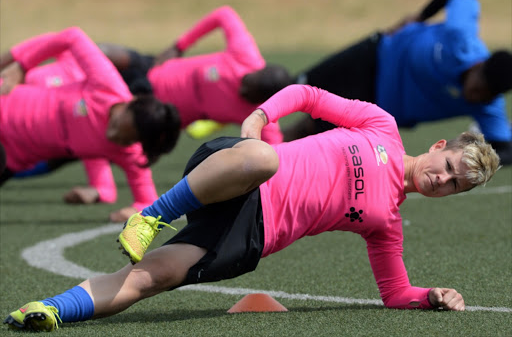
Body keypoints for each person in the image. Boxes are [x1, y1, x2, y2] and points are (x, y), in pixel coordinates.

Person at [4, 84, 501, 332]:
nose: (442, 180)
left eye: (454, 186)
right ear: (439, 146)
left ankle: (48, 310)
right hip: (236, 169)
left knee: (147, 279)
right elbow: (306, 95)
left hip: (250, 235)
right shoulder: (381, 128)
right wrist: (260, 117)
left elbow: (395, 292)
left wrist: (431, 294)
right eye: (449, 166)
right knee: (262, 157)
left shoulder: (386, 223)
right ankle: (151, 214)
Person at [241, 0, 512, 165]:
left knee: (312, 128)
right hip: (375, 56)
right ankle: (228, 98)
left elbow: (505, 148)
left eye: (485, 96)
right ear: (479, 65)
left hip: (375, 106)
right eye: (478, 87)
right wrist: (420, 16)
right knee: (292, 87)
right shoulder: (461, 36)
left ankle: (255, 158)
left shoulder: (486, 105)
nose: (475, 96)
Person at [0, 26, 181, 218]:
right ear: (131, 103)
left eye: (126, 139)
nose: (114, 136)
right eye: (118, 126)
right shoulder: (108, 85)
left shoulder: (128, 152)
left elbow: (149, 202)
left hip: (9, 160)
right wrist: (21, 66)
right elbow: (72, 36)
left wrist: (133, 212)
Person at [98, 5, 290, 145]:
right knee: (103, 53)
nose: (241, 89)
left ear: (262, 99)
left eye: (249, 94)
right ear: (257, 70)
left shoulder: (257, 114)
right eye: (247, 82)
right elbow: (224, 14)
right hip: (151, 71)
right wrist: (179, 46)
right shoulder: (246, 56)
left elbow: (276, 149)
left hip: (151, 115)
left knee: (103, 126)